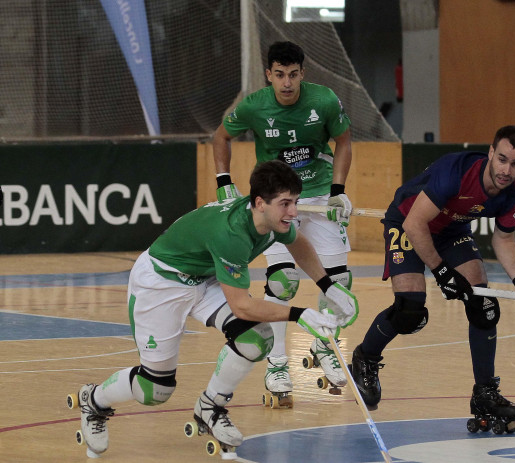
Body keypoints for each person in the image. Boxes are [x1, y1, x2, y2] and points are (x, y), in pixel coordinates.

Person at [69, 160, 358, 458]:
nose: (294, 212)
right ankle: (95, 400)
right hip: (162, 283)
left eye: (295, 202)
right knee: (154, 390)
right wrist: (300, 314)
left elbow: (298, 243)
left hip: (204, 278)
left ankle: (210, 406)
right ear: (260, 203)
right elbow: (243, 306)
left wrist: (328, 285)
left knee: (255, 339)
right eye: (285, 204)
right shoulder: (232, 233)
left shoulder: (271, 220)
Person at [349, 125, 515, 432]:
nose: (506, 170)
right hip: (409, 221)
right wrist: (442, 271)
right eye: (501, 159)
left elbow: (504, 239)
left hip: (452, 230)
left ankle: (484, 392)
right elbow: (415, 224)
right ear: (490, 153)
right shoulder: (456, 173)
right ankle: (365, 357)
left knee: (483, 305)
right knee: (409, 308)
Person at [212, 41, 353, 398]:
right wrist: (224, 181)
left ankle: (326, 347)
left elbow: (344, 142)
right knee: (283, 282)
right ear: (268, 75)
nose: (286, 83)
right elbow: (221, 136)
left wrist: (339, 190)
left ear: (302, 74)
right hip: (276, 199)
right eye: (279, 75)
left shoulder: (323, 100)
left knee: (340, 282)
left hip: (320, 195)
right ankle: (277, 363)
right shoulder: (254, 106)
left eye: (293, 75)